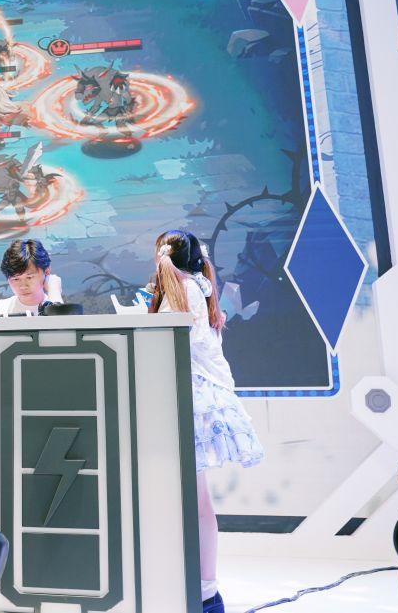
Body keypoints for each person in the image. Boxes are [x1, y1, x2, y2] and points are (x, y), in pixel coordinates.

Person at [147, 230, 264, 613]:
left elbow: (185, 342)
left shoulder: (185, 289)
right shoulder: (197, 286)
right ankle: (201, 589)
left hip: (189, 398)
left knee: (193, 503)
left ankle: (204, 592)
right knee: (193, 502)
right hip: (191, 395)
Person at [0, 239, 63, 316]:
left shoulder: (55, 301)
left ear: (47, 272)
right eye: (16, 279)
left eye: (29, 277)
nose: (23, 286)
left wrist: (54, 290)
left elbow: (61, 323)